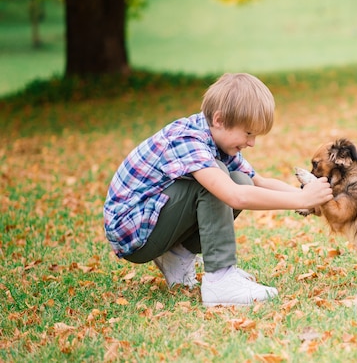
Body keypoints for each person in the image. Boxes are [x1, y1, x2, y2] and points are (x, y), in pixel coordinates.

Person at [103, 73, 333, 306]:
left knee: (241, 179)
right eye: (249, 133)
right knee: (220, 182)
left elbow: (258, 183)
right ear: (220, 120)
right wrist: (302, 199)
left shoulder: (216, 137)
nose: (252, 143)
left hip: (153, 222)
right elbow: (234, 196)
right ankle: (220, 281)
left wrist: (312, 198)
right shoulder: (188, 139)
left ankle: (177, 256)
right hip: (133, 232)